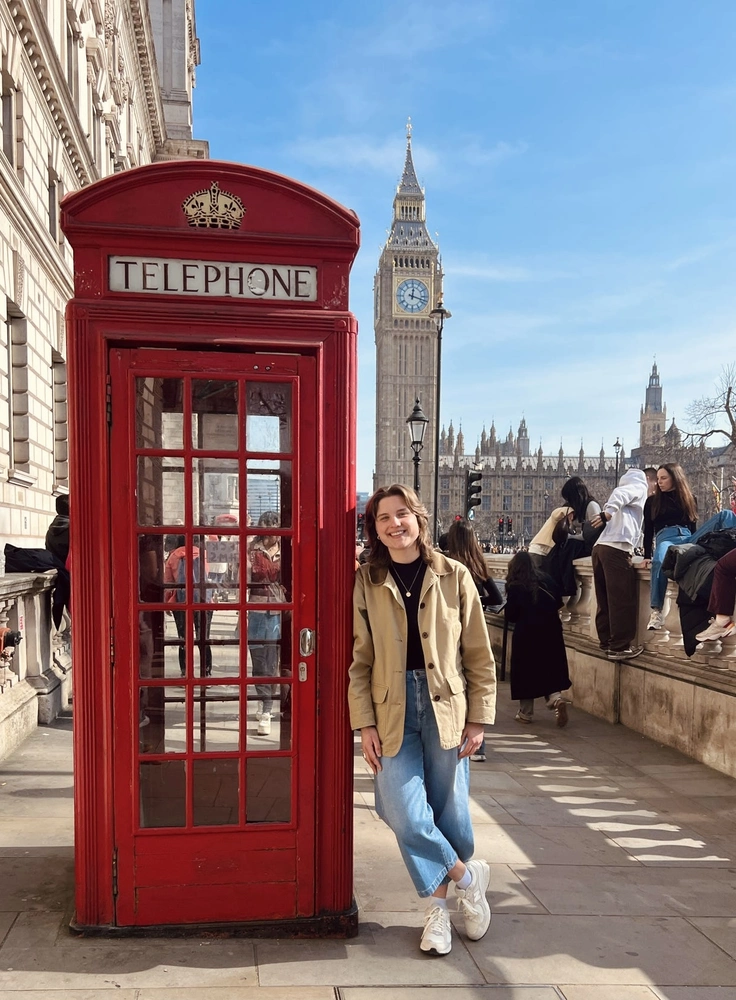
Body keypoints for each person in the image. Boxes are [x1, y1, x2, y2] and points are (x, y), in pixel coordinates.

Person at [349, 484, 496, 957]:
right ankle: (468, 877)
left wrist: (479, 718)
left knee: (447, 809)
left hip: (445, 706)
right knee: (402, 811)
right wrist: (363, 723)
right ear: (374, 529)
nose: (394, 524)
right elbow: (360, 659)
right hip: (392, 708)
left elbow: (478, 655)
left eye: (402, 514)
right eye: (383, 518)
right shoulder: (366, 581)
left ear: (419, 518)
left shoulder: (454, 575)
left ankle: (438, 913)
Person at [445, 519, 503, 762]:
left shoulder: (447, 563)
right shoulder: (478, 565)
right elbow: (497, 598)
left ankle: (456, 739)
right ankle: (478, 747)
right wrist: (476, 602)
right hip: (476, 629)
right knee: (475, 681)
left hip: (449, 630)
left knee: (456, 682)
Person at [504, 550, 571, 727]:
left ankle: (526, 713)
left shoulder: (516, 585)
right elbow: (558, 602)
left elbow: (511, 615)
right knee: (549, 667)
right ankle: (556, 699)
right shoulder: (547, 580)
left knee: (525, 673)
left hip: (526, 634)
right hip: (551, 631)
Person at [589, 469, 649, 660]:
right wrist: (608, 513)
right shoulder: (639, 486)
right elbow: (620, 494)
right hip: (616, 549)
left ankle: (606, 642)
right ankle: (620, 647)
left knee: (604, 599)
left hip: (599, 549)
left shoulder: (627, 498)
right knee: (621, 599)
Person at [642, 464, 697, 631]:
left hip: (687, 536)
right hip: (666, 537)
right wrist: (646, 555)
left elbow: (693, 525)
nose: (659, 482)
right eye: (658, 478)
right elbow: (648, 531)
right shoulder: (652, 501)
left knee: (724, 516)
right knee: (659, 561)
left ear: (675, 477)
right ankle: (656, 611)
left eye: (663, 478)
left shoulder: (689, 498)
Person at [248, 511, 284, 737]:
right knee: (258, 658)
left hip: (278, 611)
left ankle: (267, 708)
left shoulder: (285, 550)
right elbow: (249, 575)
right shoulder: (252, 550)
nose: (272, 534)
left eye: (274, 528)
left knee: (272, 660)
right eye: (268, 529)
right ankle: (264, 704)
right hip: (256, 609)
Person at [560, 477, 602, 555]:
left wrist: (569, 537)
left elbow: (591, 535)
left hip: (590, 546)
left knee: (570, 547)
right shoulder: (577, 508)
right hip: (580, 544)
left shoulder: (591, 506)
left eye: (569, 498)